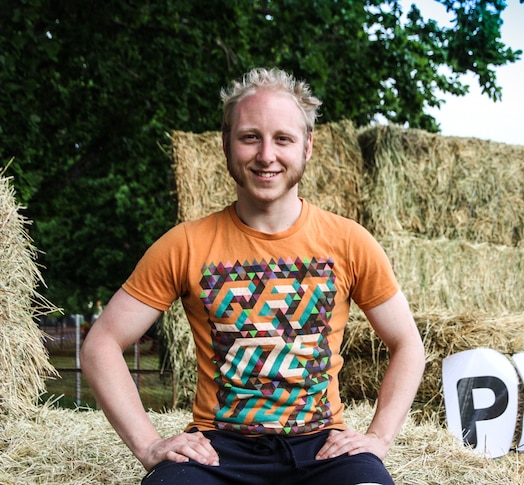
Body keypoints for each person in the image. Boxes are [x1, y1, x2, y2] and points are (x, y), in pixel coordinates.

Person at [81, 67, 425, 485]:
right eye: (250, 137)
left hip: (324, 450)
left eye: (283, 138)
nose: (266, 155)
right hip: (217, 452)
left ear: (307, 147)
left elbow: (407, 343)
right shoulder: (184, 244)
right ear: (227, 145)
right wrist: (149, 445)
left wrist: (379, 438)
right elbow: (101, 343)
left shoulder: (350, 241)